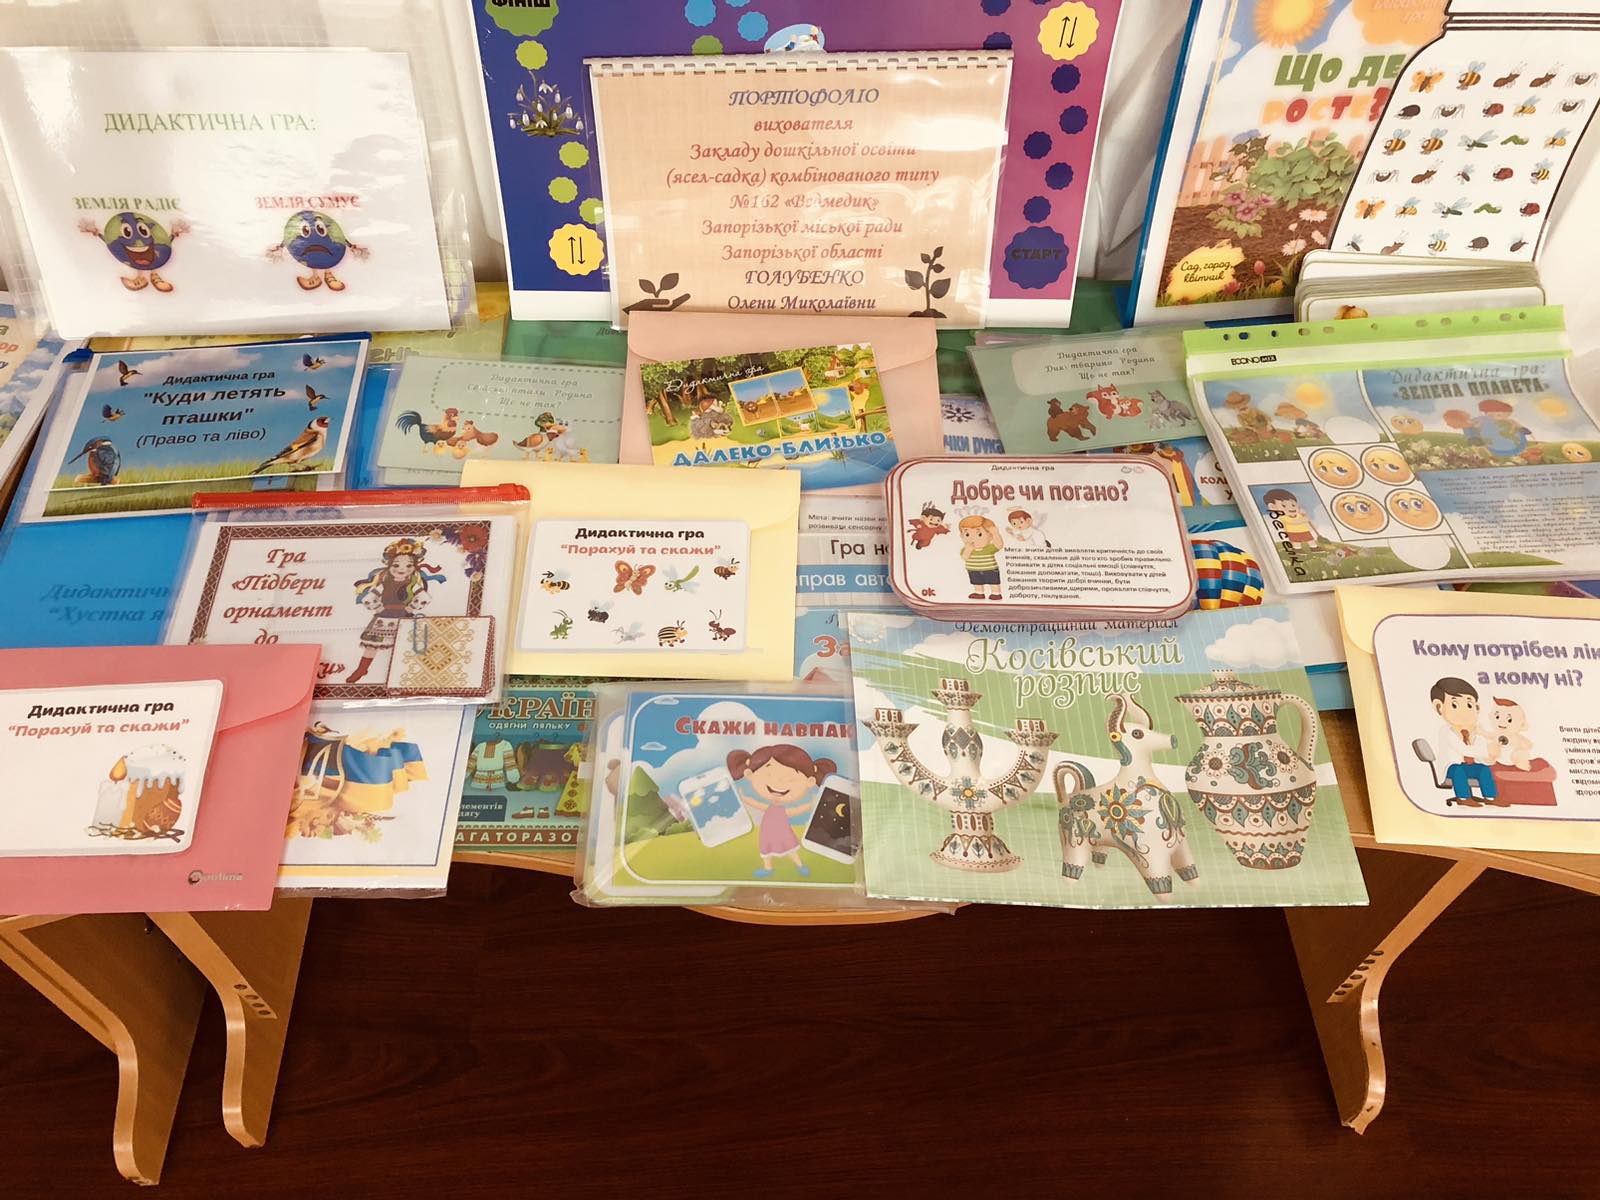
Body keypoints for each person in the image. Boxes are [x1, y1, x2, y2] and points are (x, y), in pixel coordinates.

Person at [727, 744, 836, 878]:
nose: (778, 782)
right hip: (767, 833)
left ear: (810, 781)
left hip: (783, 833)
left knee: (790, 849)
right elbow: (759, 805)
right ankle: (768, 868)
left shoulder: (781, 809)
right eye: (768, 774)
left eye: (790, 778)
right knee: (766, 851)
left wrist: (809, 806)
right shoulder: (771, 807)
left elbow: (793, 811)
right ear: (750, 774)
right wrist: (745, 799)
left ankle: (800, 865)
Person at [346, 538, 444, 685]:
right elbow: (368, 598)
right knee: (371, 646)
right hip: (383, 619)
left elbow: (425, 598)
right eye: (396, 565)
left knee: (404, 647)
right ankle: (362, 669)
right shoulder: (385, 583)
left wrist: (410, 608)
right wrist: (378, 608)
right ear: (389, 565)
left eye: (408, 566)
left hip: (403, 619)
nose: (401, 569)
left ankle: (405, 674)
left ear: (414, 567)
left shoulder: (412, 584)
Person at [1430, 677, 1500, 806]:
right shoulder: (1446, 731)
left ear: (1477, 708)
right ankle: (1463, 798)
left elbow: (1480, 754)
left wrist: (1490, 756)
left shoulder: (1475, 732)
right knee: (1458, 770)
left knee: (1484, 769)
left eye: (1469, 705)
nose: (1464, 712)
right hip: (1451, 767)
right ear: (1439, 707)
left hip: (1469, 766)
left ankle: (1490, 797)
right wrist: (1486, 751)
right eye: (1454, 705)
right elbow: (1464, 750)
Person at [958, 515, 1005, 600]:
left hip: (990, 569)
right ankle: (979, 593)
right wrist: (968, 549)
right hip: (973, 569)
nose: (972, 538)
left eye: (979, 534)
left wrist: (996, 534)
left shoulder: (989, 548)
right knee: (977, 582)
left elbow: (999, 545)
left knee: (993, 581)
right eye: (967, 534)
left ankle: (996, 593)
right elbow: (964, 557)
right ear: (961, 536)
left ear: (990, 536)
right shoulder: (965, 549)